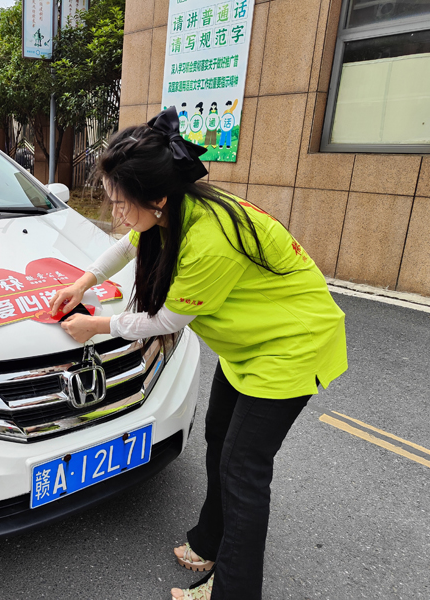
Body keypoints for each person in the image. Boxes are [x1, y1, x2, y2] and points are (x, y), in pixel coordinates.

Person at [50, 106, 347, 600]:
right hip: (249, 348)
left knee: (242, 472)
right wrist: (83, 280)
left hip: (290, 348)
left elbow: (164, 321)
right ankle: (211, 539)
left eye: (122, 203)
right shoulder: (176, 208)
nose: (117, 214)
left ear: (158, 198)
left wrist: (95, 325)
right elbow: (128, 244)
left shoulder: (208, 242)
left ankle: (232, 590)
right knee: (217, 437)